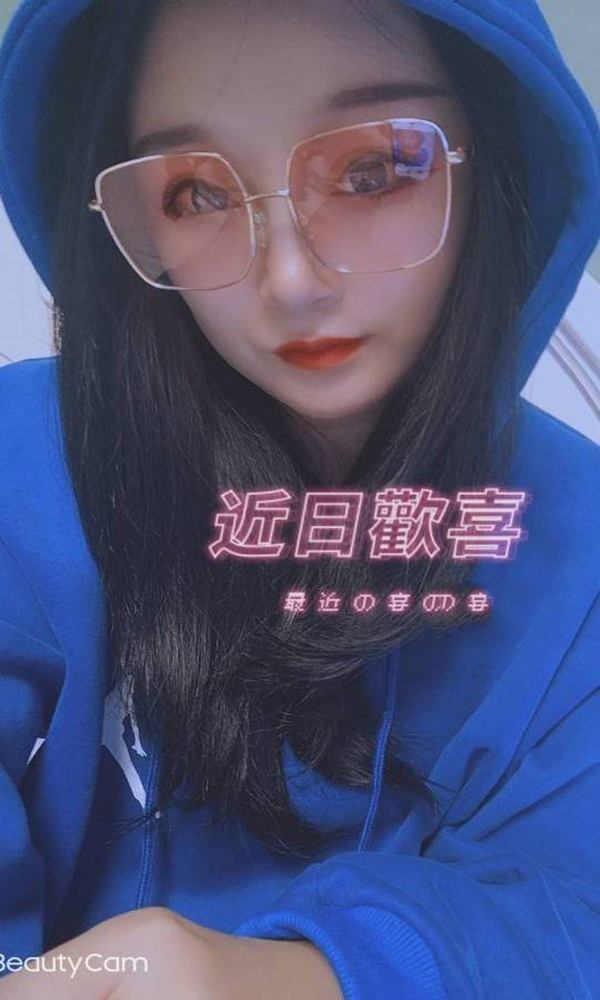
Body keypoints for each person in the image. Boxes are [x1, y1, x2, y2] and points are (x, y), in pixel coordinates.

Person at [0, 0, 598, 996]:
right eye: (196, 193)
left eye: (373, 171)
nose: (290, 279)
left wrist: (318, 974)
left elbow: (571, 909)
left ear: (495, 156)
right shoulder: (22, 469)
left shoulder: (577, 558)